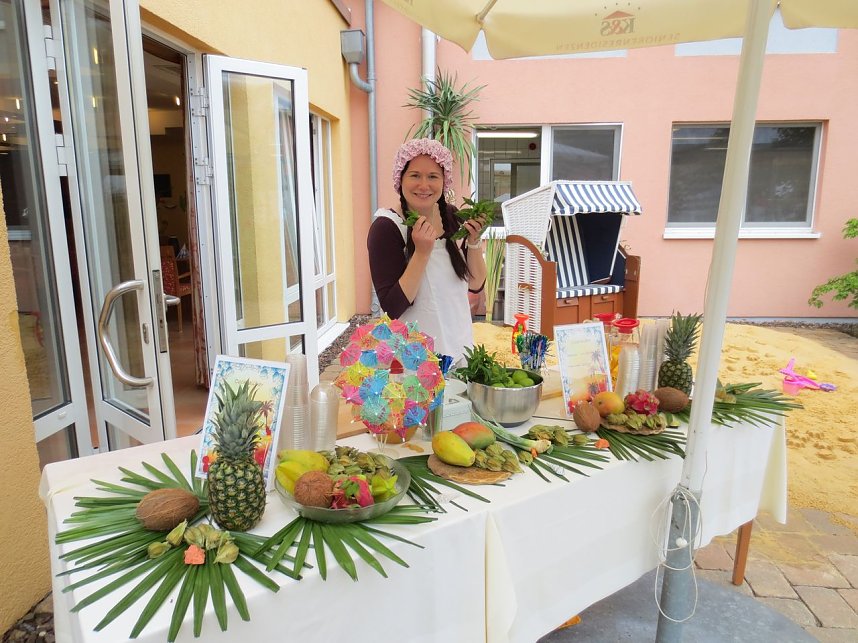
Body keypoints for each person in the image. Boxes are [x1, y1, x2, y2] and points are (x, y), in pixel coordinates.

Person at [367, 138, 487, 363]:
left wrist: (474, 241)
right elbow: (393, 307)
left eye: (433, 176)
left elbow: (475, 283)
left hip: (460, 350)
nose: (424, 185)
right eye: (415, 175)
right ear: (400, 179)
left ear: (444, 182)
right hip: (416, 363)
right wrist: (422, 253)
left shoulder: (451, 217)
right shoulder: (387, 227)